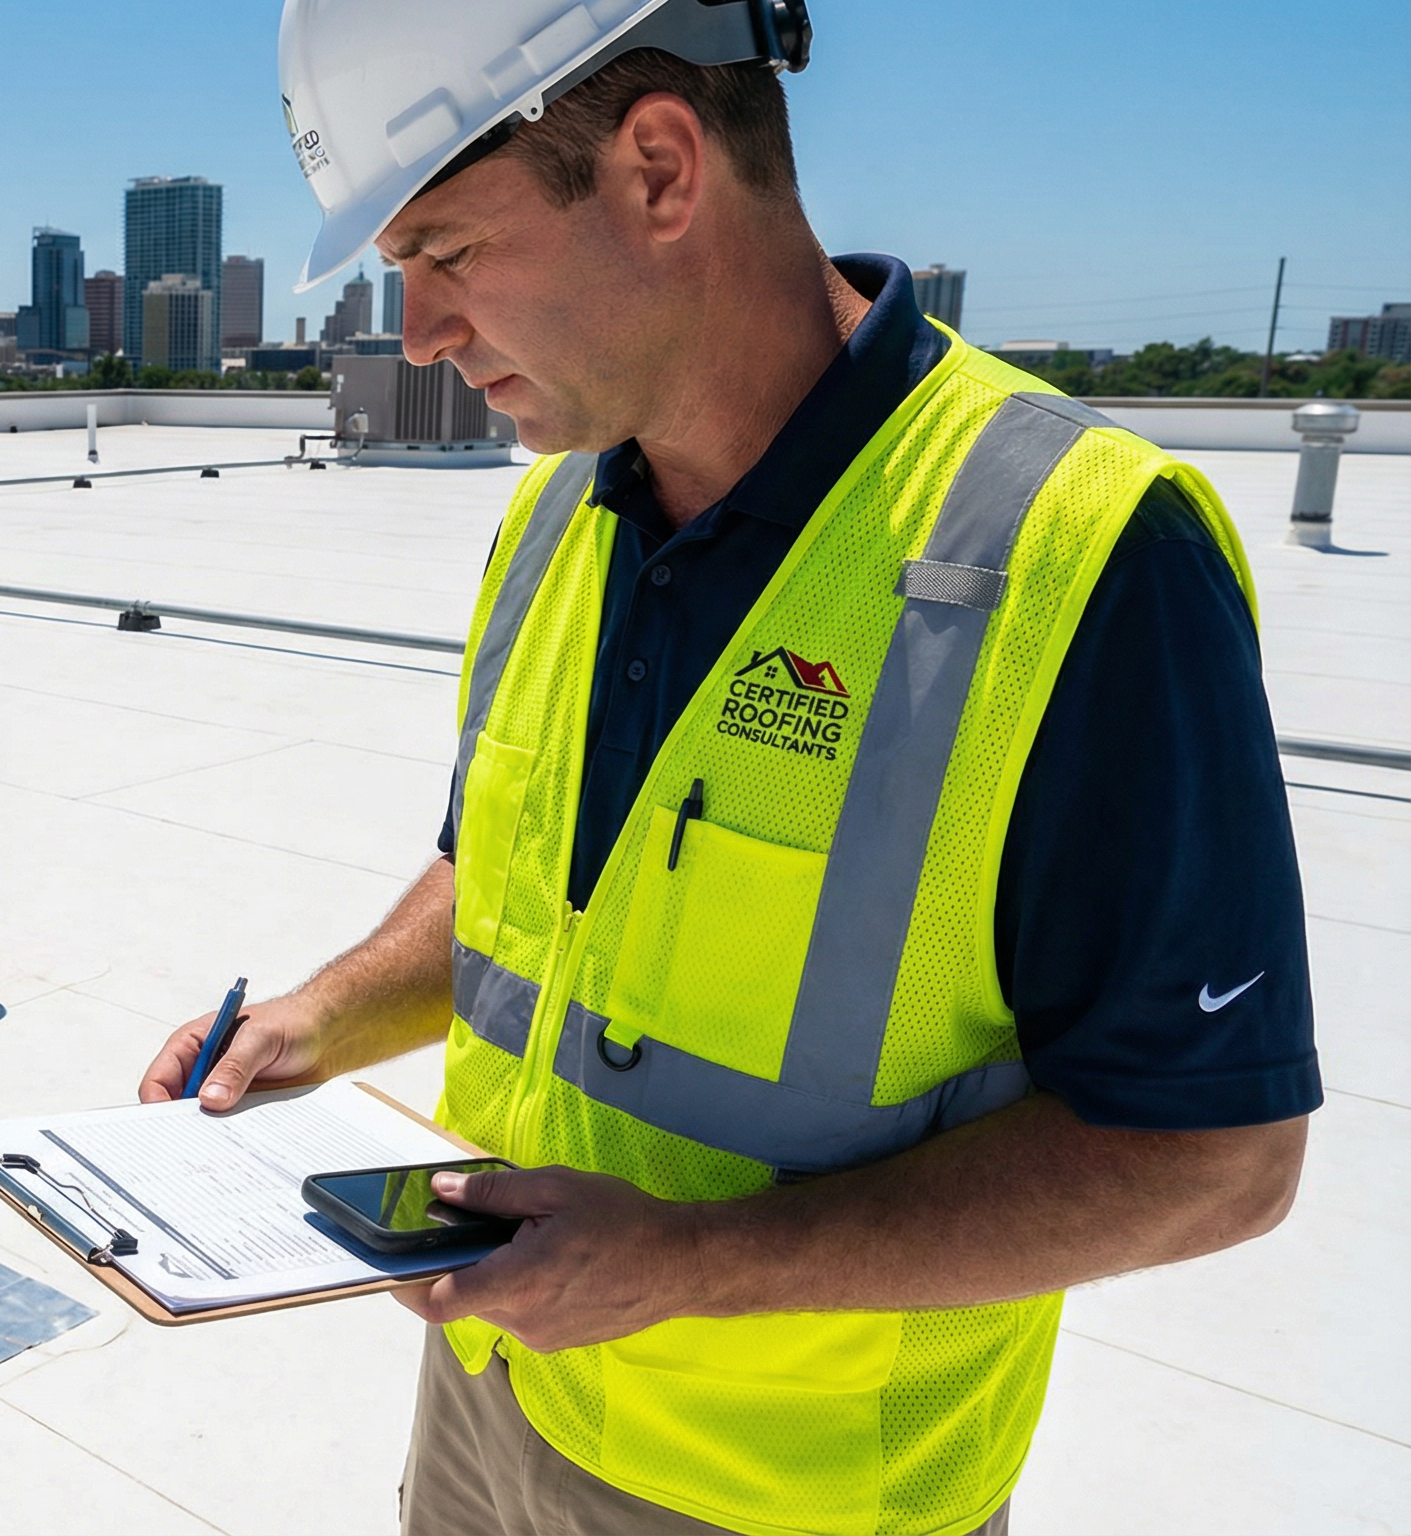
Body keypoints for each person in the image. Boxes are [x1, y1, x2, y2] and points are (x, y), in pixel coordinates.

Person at [138, 4, 1319, 1534]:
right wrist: (320, 1018)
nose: (417, 334)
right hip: (495, 1387)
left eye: (448, 252)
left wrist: (691, 1268)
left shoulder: (1077, 556)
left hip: (787, 1496)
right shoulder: (557, 516)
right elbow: (521, 883)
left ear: (658, 170)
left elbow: (1218, 1159)